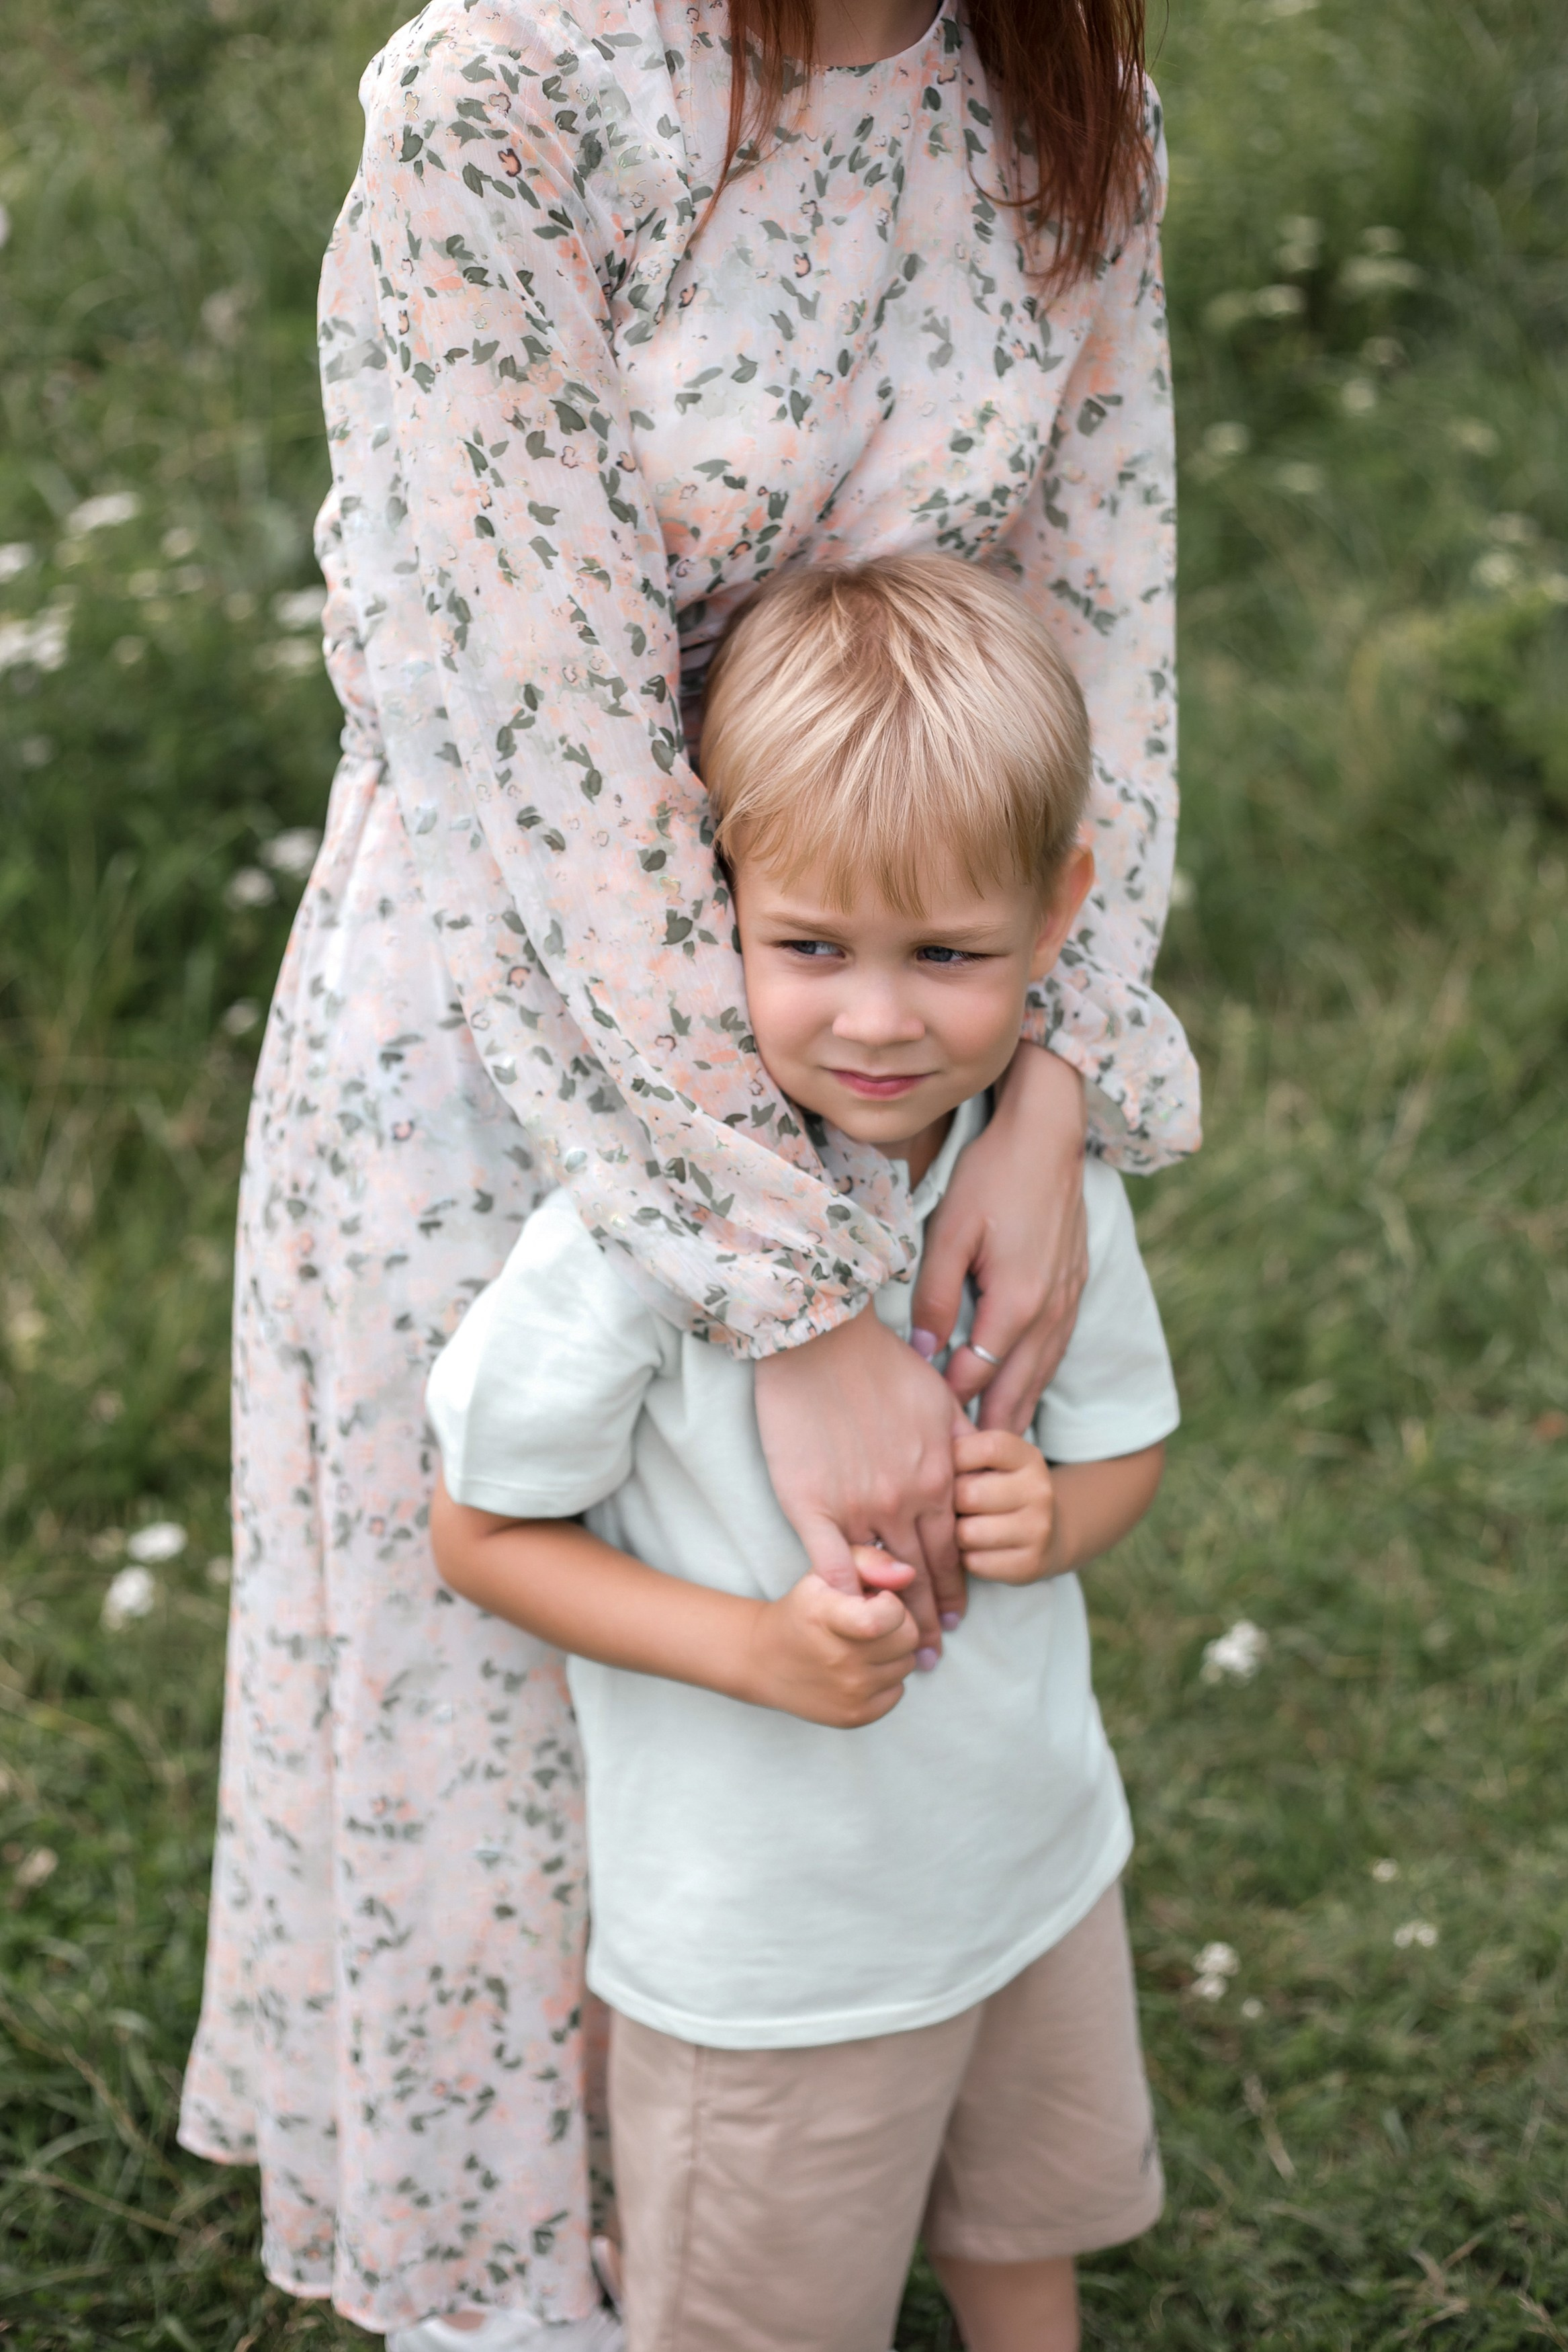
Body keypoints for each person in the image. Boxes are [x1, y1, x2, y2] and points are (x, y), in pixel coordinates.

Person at [179, 0, 1199, 2334]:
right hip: (523, 1031)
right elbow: (530, 723)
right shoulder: (516, 99)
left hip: (913, 1008)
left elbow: (1105, 618)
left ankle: (875, 2142)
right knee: (520, 1747)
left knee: (852, 1732)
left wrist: (1052, 1076)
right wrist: (792, 1292)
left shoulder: (1063, 95)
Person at [425, 554, 1181, 2352]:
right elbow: (480, 1533)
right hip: (763, 1950)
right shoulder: (631, 1249)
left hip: (1029, 1860)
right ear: (716, 913)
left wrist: (1053, 1515)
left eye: (950, 955)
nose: (879, 1018)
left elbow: (1125, 1443)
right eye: (815, 946)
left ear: (1058, 913)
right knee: (765, 2309)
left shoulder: (1029, 1187)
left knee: (1026, 2219)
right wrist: (756, 1650)